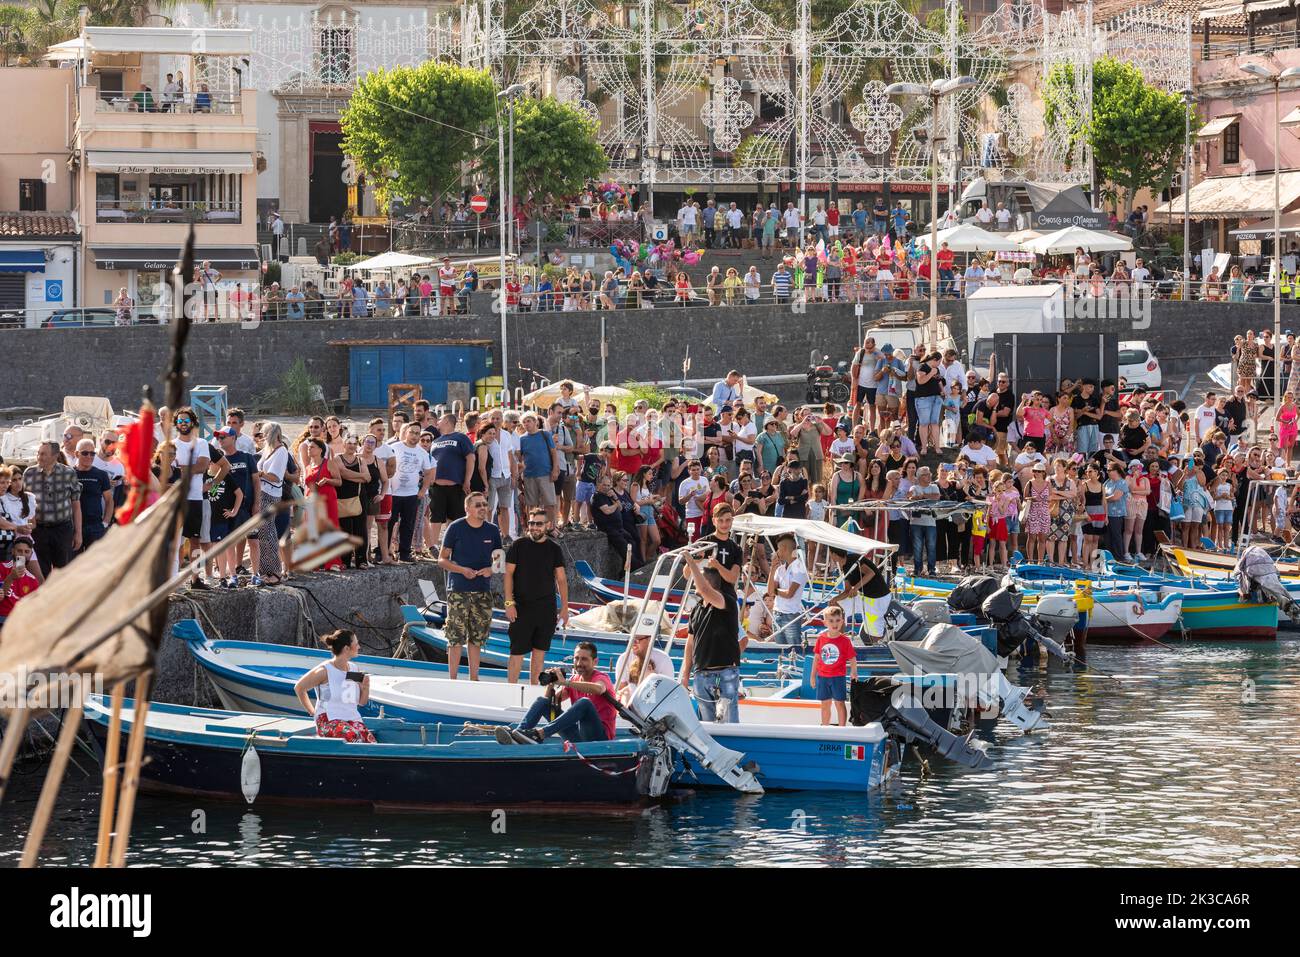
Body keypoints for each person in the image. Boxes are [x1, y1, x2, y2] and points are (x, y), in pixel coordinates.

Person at [497, 641, 617, 744]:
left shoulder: (601, 677)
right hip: (580, 736)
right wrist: (551, 683)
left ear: (595, 662)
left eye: (584, 659)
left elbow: (598, 689)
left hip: (600, 739)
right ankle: (517, 734)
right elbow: (549, 703)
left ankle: (540, 734)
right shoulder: (574, 679)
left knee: (584, 703)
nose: (579, 663)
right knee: (542, 701)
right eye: (576, 658)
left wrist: (565, 683)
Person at [438, 491, 502, 681]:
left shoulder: (492, 530)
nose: (483, 508)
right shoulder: (456, 528)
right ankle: (453, 679)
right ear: (467, 508)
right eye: (478, 505)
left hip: (483, 590)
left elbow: (499, 562)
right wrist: (461, 570)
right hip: (458, 590)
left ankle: (474, 678)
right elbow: (441, 559)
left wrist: (491, 570)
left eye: (484, 504)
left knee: (477, 637)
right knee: (455, 637)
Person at [504, 508, 570, 685]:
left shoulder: (554, 549)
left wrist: (565, 608)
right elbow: (508, 574)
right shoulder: (518, 546)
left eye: (539, 524)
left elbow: (561, 579)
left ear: (547, 525)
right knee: (516, 653)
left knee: (539, 655)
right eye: (532, 523)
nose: (534, 527)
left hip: (546, 609)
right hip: (521, 608)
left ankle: (534, 692)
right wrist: (509, 603)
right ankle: (511, 690)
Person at [679, 544, 741, 723]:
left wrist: (691, 563)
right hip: (701, 675)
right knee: (707, 726)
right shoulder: (697, 609)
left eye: (698, 580)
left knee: (728, 723)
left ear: (707, 582)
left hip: (726, 673)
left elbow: (706, 591)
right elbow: (690, 644)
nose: (694, 583)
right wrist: (685, 674)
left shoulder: (726, 601)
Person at [293, 629, 376, 743]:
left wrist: (366, 687)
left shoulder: (353, 669)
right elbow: (299, 688)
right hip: (328, 720)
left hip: (350, 719)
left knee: (370, 741)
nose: (359, 647)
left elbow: (361, 703)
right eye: (356, 644)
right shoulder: (325, 671)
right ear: (346, 648)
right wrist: (313, 712)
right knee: (353, 736)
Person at [23, 440, 82, 577]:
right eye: (38, 453)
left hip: (62, 529)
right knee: (40, 572)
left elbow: (76, 505)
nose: (39, 457)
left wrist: (78, 533)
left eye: (43, 454)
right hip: (39, 530)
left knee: (63, 571)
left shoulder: (68, 473)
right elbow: (23, 503)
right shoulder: (29, 474)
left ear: (55, 456)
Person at [388, 423, 435, 563]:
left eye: (417, 433)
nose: (414, 435)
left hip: (411, 494)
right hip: (394, 493)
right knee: (389, 524)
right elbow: (386, 466)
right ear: (406, 433)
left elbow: (428, 473)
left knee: (408, 525)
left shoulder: (422, 453)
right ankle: (385, 551)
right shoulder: (395, 447)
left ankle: (405, 553)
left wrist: (422, 490)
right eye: (412, 432)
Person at [813, 605, 857, 726]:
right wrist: (812, 676)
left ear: (842, 621)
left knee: (840, 703)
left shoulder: (845, 640)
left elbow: (852, 658)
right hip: (822, 677)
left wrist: (854, 671)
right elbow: (816, 658)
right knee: (825, 704)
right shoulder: (821, 639)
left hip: (838, 677)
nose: (835, 623)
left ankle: (842, 728)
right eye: (831, 621)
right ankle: (825, 726)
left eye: (838, 620)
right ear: (825, 622)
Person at [766, 532, 808, 646]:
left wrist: (776, 591)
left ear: (784, 548)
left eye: (778, 549)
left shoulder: (799, 567)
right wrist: (772, 570)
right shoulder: (779, 569)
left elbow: (790, 593)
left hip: (791, 615)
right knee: (781, 650)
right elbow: (770, 592)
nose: (777, 552)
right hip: (777, 613)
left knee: (794, 649)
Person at [72, 438, 113, 553]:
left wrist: (105, 523)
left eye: (92, 453)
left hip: (95, 526)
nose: (89, 456)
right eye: (85, 453)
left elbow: (109, 500)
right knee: (74, 565)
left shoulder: (101, 474)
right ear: (76, 454)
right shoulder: (70, 474)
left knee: (95, 566)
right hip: (74, 527)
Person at [0, 536, 39, 632]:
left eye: (27, 552)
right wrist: (10, 578)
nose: (23, 555)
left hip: (19, 623)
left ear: (31, 554)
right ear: (13, 551)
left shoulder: (33, 580)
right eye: (19, 551)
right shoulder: (1, 567)